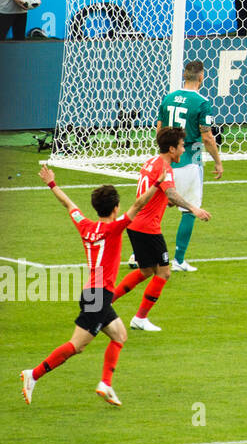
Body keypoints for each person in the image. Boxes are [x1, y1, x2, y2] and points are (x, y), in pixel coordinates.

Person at [21, 166, 144, 407]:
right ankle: (33, 375)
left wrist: (52, 184)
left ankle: (106, 384)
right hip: (99, 296)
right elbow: (138, 205)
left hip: (93, 294)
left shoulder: (85, 225)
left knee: (119, 335)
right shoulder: (114, 228)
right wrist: (159, 182)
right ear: (116, 208)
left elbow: (69, 205)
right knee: (76, 346)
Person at [113, 128, 212, 333]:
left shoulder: (151, 161)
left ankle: (105, 303)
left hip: (135, 224)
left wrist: (164, 202)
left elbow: (156, 192)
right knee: (164, 272)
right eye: (182, 146)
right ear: (171, 148)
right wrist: (193, 208)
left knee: (147, 270)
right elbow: (171, 192)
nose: (183, 150)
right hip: (148, 228)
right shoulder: (165, 167)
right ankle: (140, 318)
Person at [156, 59, 223, 273]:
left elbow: (159, 130)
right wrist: (218, 161)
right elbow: (207, 137)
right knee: (188, 210)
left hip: (166, 161)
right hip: (189, 163)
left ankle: (139, 253)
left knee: (157, 207)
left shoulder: (168, 98)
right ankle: (178, 259)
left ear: (184, 75)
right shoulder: (202, 102)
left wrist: (164, 157)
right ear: (202, 77)